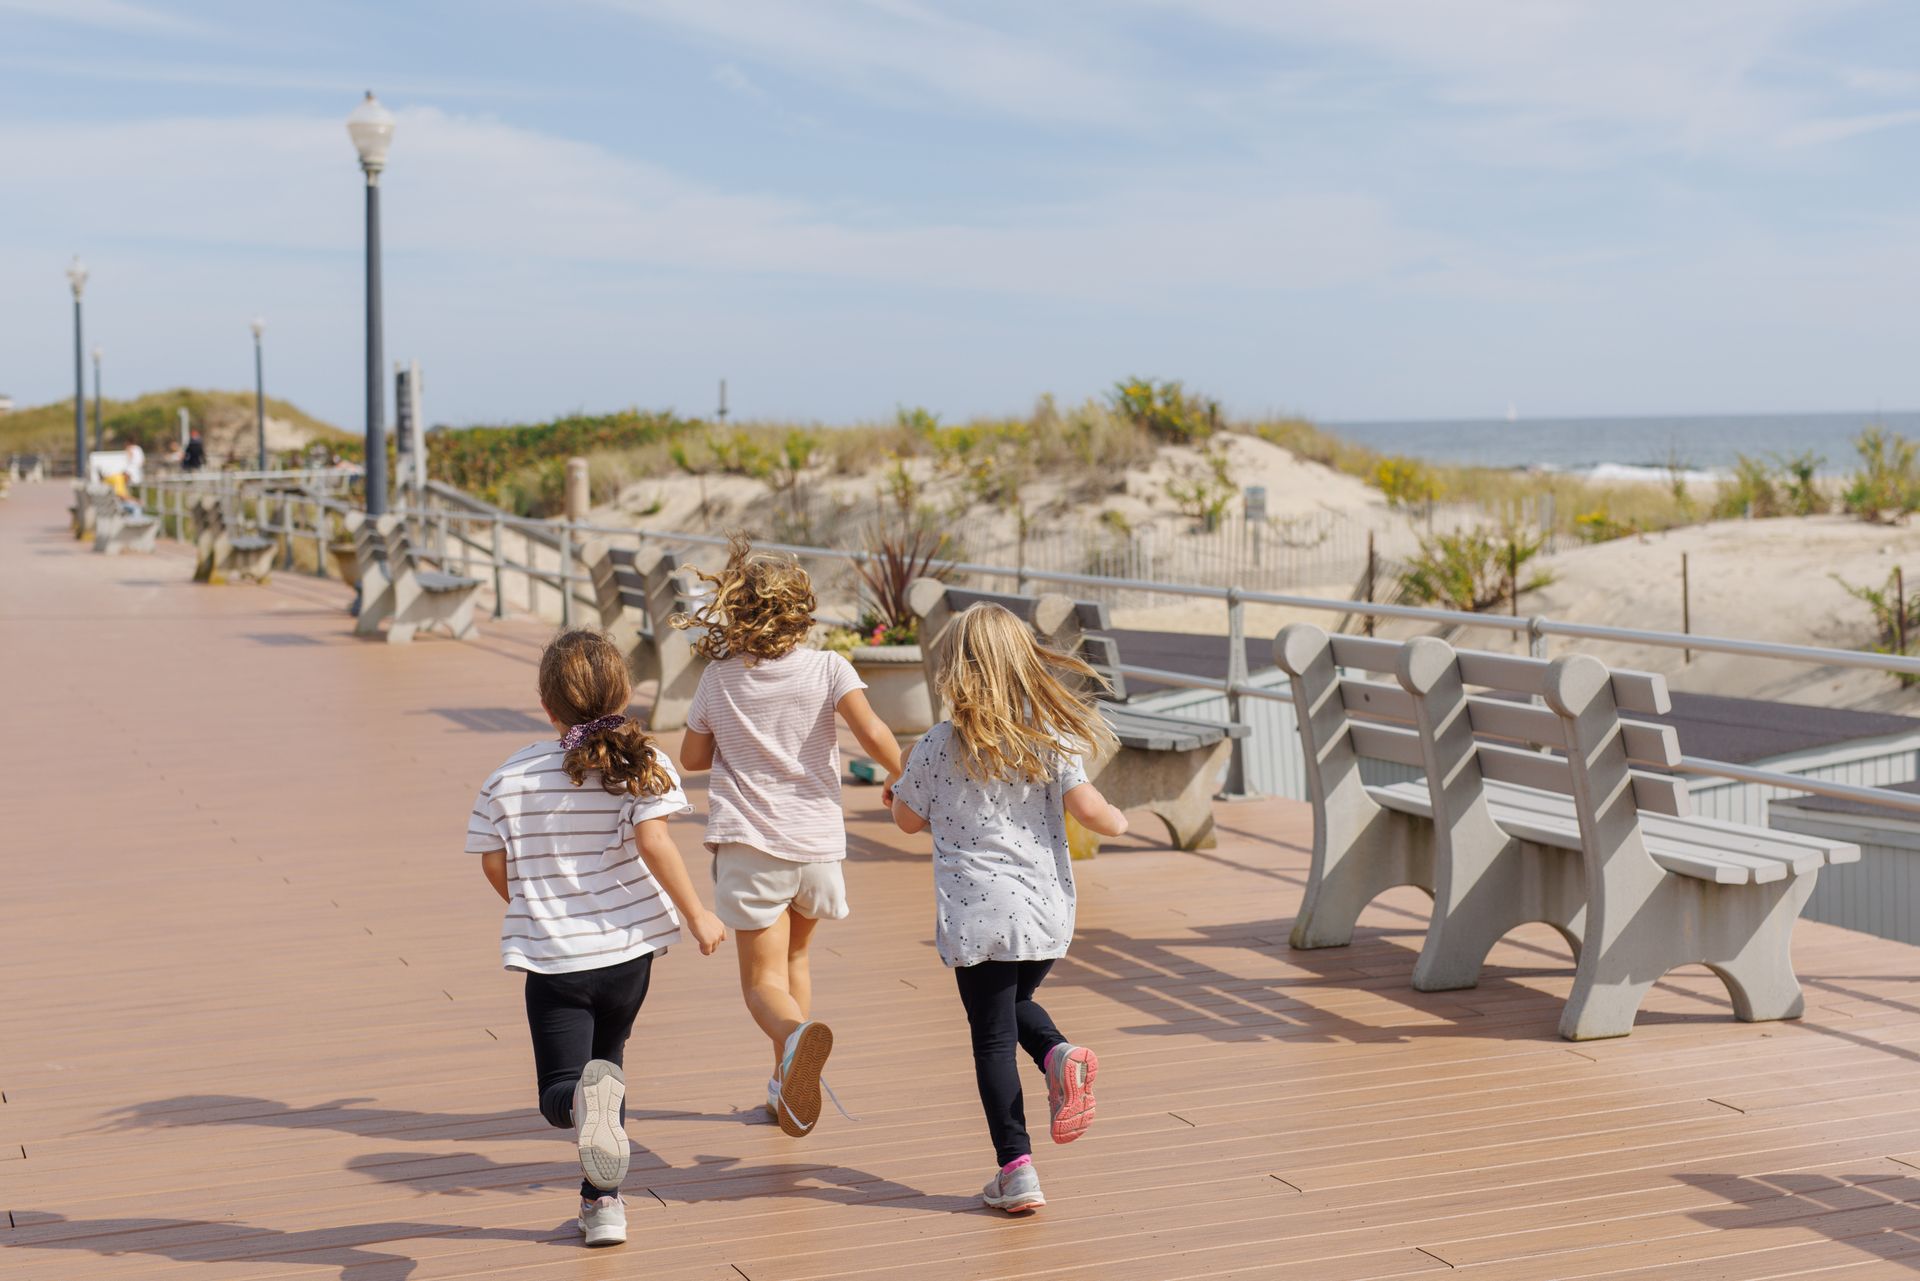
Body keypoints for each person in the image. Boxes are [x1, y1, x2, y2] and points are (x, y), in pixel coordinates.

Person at [466, 629, 727, 1249]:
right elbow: (655, 842)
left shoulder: (507, 779)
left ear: (546, 706)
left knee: (568, 1089)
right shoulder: (646, 764)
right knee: (606, 1072)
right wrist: (698, 916)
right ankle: (602, 1204)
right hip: (628, 957)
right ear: (625, 692)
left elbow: (493, 864)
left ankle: (592, 1148)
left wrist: (533, 907)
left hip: (555, 958)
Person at [889, 603, 1129, 1214]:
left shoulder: (938, 745)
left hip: (976, 917)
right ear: (1025, 665)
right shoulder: (1048, 738)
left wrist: (903, 790)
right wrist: (1119, 821)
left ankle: (1016, 1169)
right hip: (1043, 913)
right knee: (1014, 1005)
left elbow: (906, 819)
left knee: (992, 1036)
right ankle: (1056, 1053)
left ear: (956, 670)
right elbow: (1093, 810)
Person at [672, 535, 904, 1138]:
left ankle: (793, 1038)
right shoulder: (830, 668)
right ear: (803, 612)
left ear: (735, 614)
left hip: (753, 847)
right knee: (797, 958)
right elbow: (872, 730)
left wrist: (729, 729)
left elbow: (692, 757)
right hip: (817, 847)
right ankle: (785, 1088)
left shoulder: (719, 678)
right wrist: (902, 775)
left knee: (761, 984)